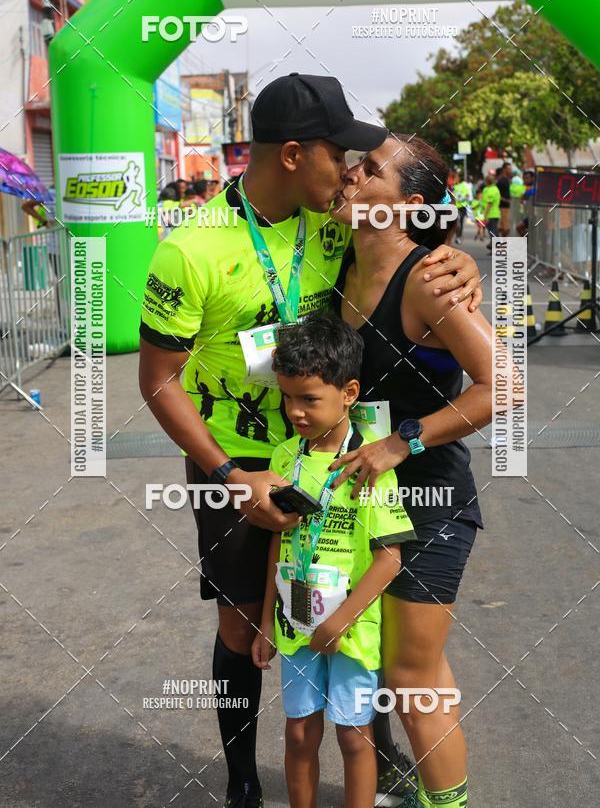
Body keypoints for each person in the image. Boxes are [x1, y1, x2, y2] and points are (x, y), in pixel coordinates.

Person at [138, 73, 483, 808]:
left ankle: (379, 753)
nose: (351, 174)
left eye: (363, 164)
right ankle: (240, 783)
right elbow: (159, 381)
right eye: (341, 157)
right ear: (293, 155)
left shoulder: (335, 220)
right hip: (234, 459)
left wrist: (458, 260)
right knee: (246, 623)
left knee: (350, 611)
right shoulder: (191, 247)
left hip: (337, 457)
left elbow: (413, 236)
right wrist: (231, 473)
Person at [328, 134, 493, 808]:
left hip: (428, 500)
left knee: (411, 675)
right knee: (361, 658)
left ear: (408, 203)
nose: (350, 173)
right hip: (352, 500)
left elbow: (501, 386)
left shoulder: (430, 279)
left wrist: (404, 442)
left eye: (369, 170)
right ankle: (394, 776)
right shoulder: (336, 256)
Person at [253, 313, 416, 808]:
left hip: (353, 631)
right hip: (295, 622)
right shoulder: (284, 458)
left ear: (349, 392)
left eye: (309, 399)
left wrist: (340, 623)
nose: (295, 411)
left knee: (353, 737)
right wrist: (265, 619)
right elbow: (279, 544)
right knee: (300, 733)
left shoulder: (368, 465)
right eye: (287, 397)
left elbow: (389, 559)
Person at [482, 173, 501, 250]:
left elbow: (489, 204)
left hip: (492, 214)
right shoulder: (489, 189)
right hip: (493, 213)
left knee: (492, 232)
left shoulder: (492, 190)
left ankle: (496, 248)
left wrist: (486, 216)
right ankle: (495, 247)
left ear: (487, 181)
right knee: (493, 231)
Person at [452, 174, 470, 245]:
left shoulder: (464, 186)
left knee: (461, 222)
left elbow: (467, 196)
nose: (455, 179)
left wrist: (462, 198)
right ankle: (457, 236)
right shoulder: (454, 186)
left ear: (459, 178)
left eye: (456, 178)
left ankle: (459, 236)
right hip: (456, 207)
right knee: (457, 222)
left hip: (462, 207)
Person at [496, 162, 512, 237]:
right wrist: (505, 200)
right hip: (502, 207)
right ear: (504, 169)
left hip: (506, 207)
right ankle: (499, 242)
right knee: (505, 229)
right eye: (509, 169)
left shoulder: (507, 180)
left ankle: (498, 242)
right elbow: (497, 194)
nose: (510, 170)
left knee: (502, 228)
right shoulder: (501, 180)